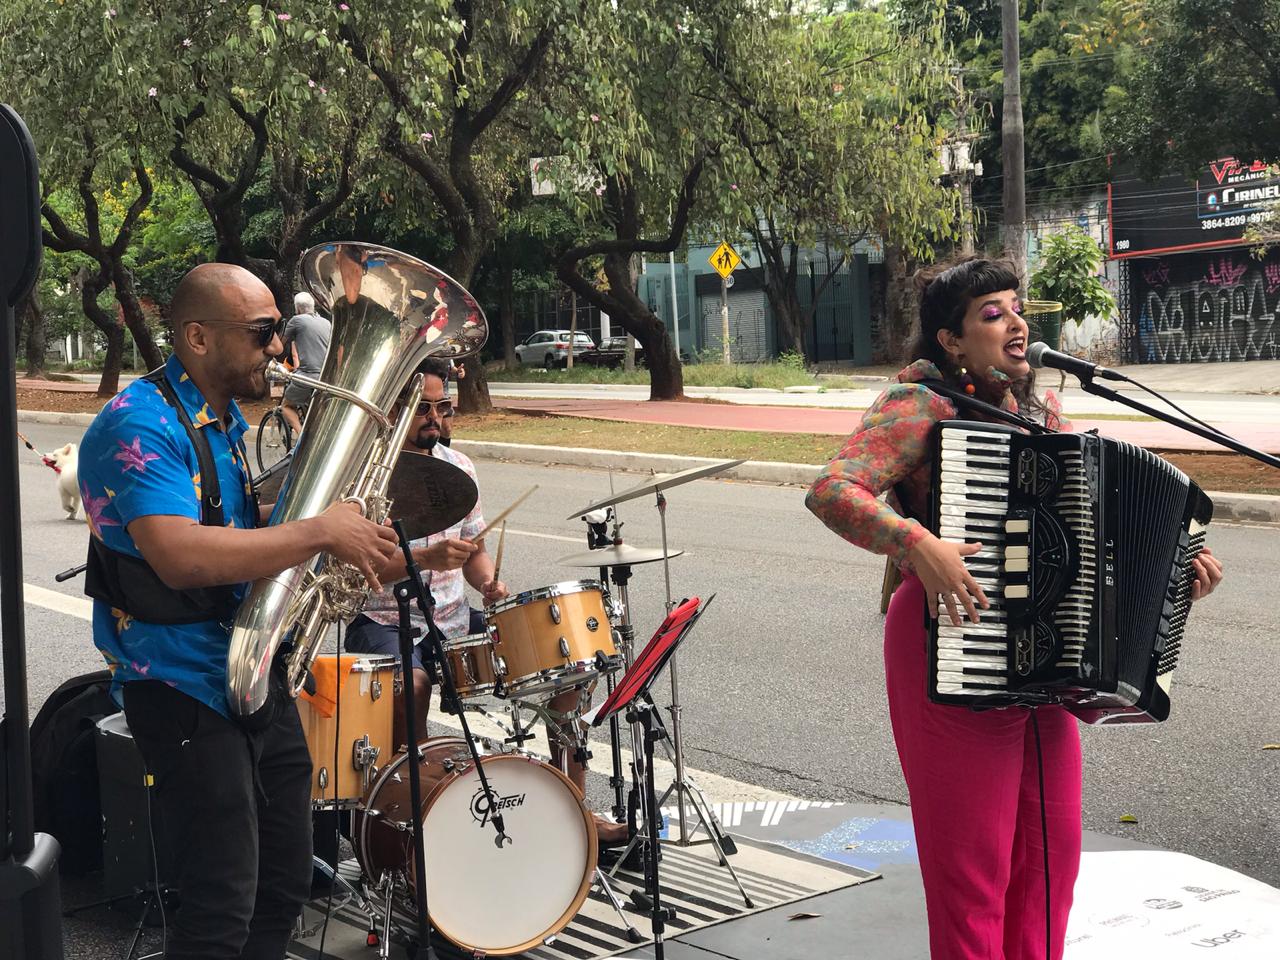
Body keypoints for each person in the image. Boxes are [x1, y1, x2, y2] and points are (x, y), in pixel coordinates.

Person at [804, 257, 1224, 960]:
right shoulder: (921, 404)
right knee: (972, 873)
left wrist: (1177, 574)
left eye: (1015, 306)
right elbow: (834, 490)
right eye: (991, 313)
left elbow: (1090, 546)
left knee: (1051, 864)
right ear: (952, 342)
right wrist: (918, 544)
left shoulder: (1042, 412)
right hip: (949, 637)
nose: (1017, 322)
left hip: (1042, 654)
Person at [77, 262, 400, 960]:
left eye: (277, 331)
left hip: (247, 671)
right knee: (220, 904)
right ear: (197, 336)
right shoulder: (138, 422)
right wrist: (318, 530)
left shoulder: (217, 418)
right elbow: (182, 555)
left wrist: (352, 526)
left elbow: (237, 528)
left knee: (284, 881)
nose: (279, 349)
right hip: (181, 685)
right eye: (261, 333)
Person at [344, 358, 506, 747]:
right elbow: (352, 573)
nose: (434, 418)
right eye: (422, 408)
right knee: (411, 686)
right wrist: (424, 559)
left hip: (453, 617)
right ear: (396, 410)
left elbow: (476, 552)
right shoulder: (366, 475)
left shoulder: (461, 468)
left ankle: (568, 791)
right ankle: (411, 792)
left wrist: (488, 583)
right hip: (382, 619)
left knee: (553, 660)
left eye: (442, 407)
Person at [279, 291, 331, 434]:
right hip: (327, 377)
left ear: (297, 309)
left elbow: (279, 346)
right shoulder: (326, 322)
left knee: (287, 406)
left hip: (309, 376)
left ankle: (301, 436)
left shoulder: (296, 320)